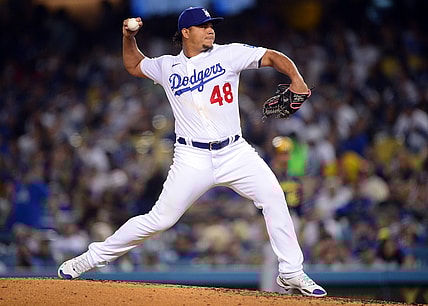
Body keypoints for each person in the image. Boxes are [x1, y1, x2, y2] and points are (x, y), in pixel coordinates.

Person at [57, 6, 327, 297]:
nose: (210, 29)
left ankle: (292, 273)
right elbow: (135, 66)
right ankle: (89, 259)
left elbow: (273, 57)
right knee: (159, 219)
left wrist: (297, 79)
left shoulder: (228, 54)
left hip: (235, 151)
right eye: (203, 25)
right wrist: (128, 38)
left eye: (212, 25)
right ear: (186, 32)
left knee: (274, 197)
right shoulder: (167, 66)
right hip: (192, 158)